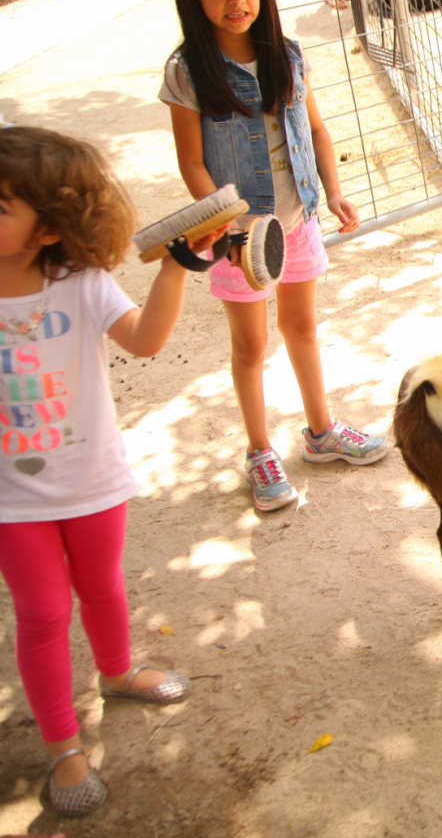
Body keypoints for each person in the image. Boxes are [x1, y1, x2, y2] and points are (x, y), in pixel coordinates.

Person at [156, 0, 389, 512]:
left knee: (304, 327)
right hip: (241, 236)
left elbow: (316, 129)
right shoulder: (186, 73)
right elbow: (191, 161)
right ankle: (259, 451)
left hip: (299, 219)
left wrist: (333, 191)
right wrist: (228, 226)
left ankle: (320, 432)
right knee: (250, 345)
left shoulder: (286, 54)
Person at [0, 126, 213, 818]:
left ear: (47, 229)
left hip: (92, 479)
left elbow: (145, 341)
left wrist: (175, 268)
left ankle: (117, 671)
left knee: (101, 586)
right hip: (11, 497)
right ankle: (63, 744)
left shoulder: (83, 285)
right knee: (41, 613)